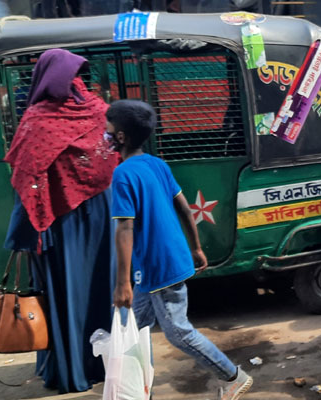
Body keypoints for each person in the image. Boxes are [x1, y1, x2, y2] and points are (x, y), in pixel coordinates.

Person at [107, 100, 253, 400]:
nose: (104, 135)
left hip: (158, 266)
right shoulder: (156, 164)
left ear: (121, 137)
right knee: (134, 324)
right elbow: (185, 209)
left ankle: (233, 376)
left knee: (179, 331)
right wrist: (196, 248)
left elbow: (124, 228)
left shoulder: (123, 174)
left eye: (107, 129)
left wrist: (121, 284)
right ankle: (137, 388)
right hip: (159, 263)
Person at [4, 49, 119, 393]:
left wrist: (21, 236)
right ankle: (106, 365)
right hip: (102, 215)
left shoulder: (37, 120)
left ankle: (70, 372)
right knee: (102, 288)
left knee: (67, 292)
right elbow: (111, 161)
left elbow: (25, 182)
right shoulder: (100, 111)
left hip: (60, 223)